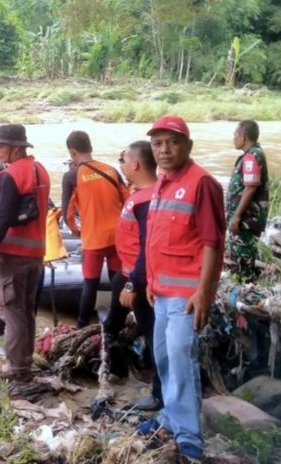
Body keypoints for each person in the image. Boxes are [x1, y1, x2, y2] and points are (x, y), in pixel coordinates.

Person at [139, 115, 225, 463]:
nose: (163, 149)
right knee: (161, 357)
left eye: (172, 142)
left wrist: (205, 292)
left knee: (180, 359)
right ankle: (170, 418)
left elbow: (212, 242)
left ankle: (189, 436)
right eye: (157, 143)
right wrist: (149, 281)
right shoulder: (162, 182)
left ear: (188, 145)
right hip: (161, 292)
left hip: (187, 295)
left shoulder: (201, 182)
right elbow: (158, 239)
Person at [0, 124, 50, 382]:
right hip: (36, 254)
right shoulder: (40, 170)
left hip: (13, 254)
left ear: (16, 147)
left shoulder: (11, 176)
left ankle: (17, 368)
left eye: (1, 146)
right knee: (27, 309)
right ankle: (26, 359)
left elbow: (2, 218)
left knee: (11, 309)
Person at [104, 141, 162, 412]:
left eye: (124, 159)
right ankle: (114, 372)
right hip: (127, 273)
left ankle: (159, 393)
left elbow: (147, 248)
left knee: (154, 334)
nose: (122, 163)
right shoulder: (142, 192)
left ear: (136, 164)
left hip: (139, 280)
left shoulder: (149, 201)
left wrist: (133, 283)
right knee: (111, 325)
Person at [64, 130, 129, 328]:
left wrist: (77, 232)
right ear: (90, 147)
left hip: (93, 239)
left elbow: (67, 214)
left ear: (73, 153)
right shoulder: (111, 169)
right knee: (116, 280)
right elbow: (128, 201)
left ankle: (82, 325)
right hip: (117, 236)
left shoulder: (72, 176)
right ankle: (118, 322)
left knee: (90, 284)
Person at [226, 119, 269, 283]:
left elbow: (250, 187)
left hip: (246, 219)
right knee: (245, 254)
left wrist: (236, 216)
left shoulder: (252, 156)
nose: (234, 138)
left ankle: (245, 289)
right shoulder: (253, 154)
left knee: (242, 259)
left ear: (243, 136)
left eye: (235, 134)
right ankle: (245, 285)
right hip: (248, 219)